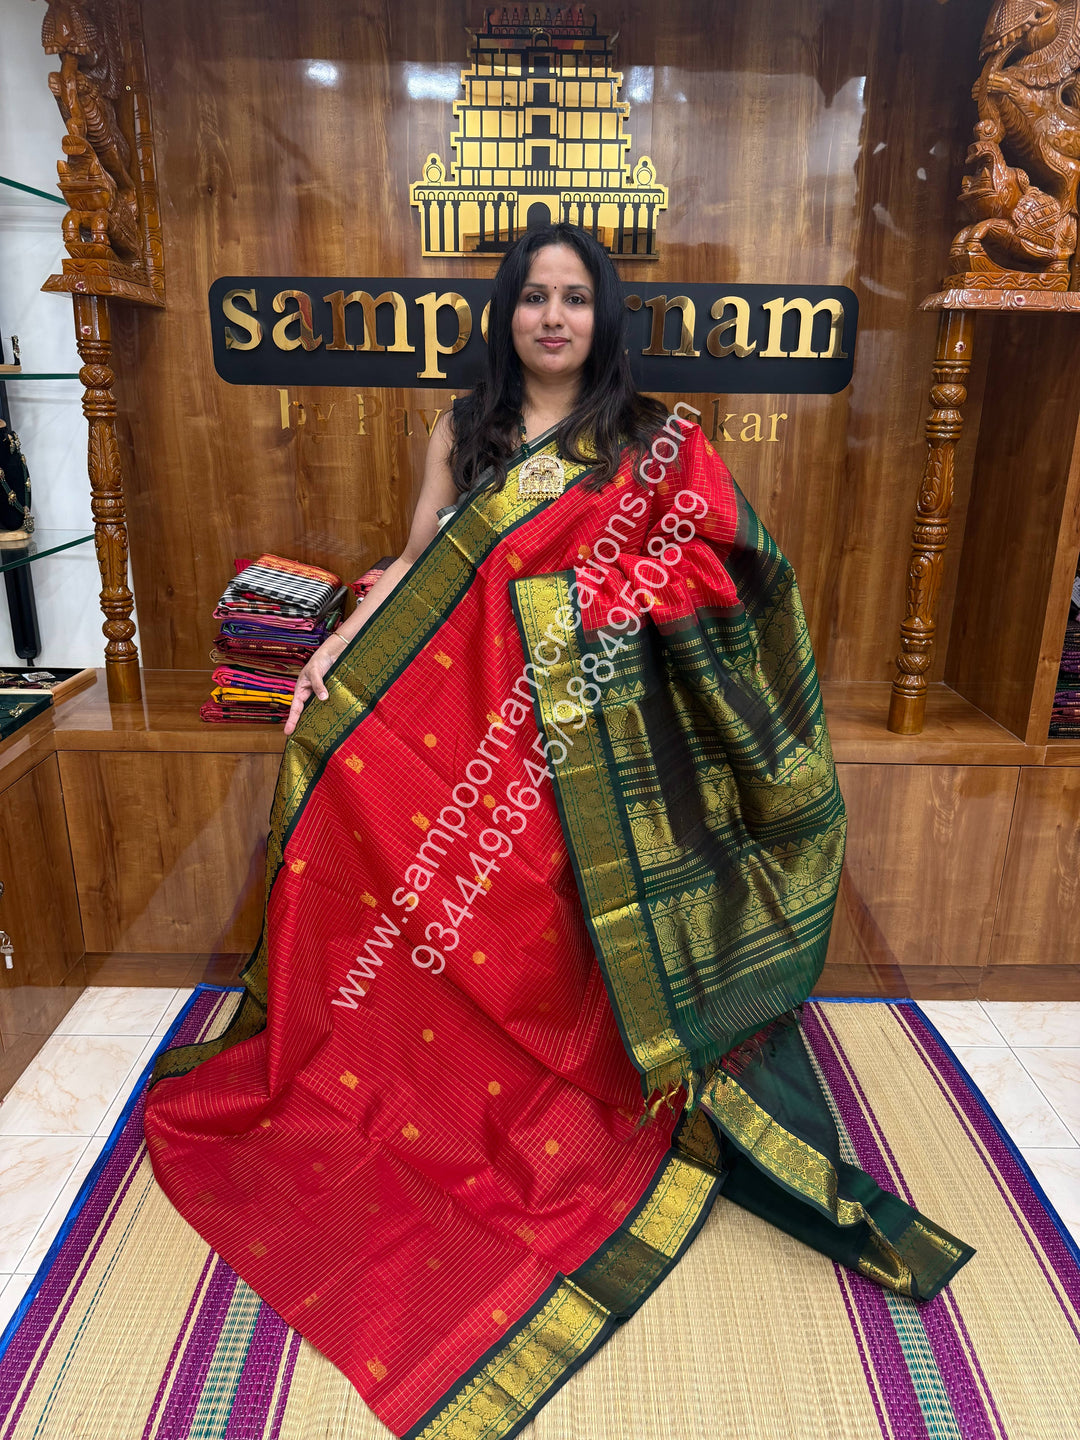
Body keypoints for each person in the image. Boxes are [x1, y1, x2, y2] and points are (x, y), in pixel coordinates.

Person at [143, 223, 973, 1439]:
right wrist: (330, 647)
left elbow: (731, 568)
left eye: (574, 298)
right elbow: (423, 564)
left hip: (593, 742)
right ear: (506, 311)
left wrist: (596, 611)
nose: (551, 317)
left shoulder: (652, 444)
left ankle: (578, 1064)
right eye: (532, 297)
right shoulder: (460, 427)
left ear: (603, 314)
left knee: (537, 893)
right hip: (472, 722)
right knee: (338, 761)